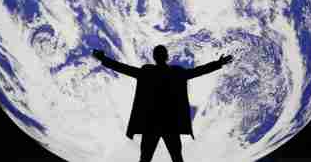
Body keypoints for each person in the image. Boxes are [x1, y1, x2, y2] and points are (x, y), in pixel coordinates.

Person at [92, 45, 233, 162]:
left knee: (147, 158)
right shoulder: (176, 73)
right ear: (166, 56)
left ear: (154, 57)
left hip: (151, 123)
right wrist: (219, 63)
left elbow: (122, 68)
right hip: (169, 123)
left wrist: (103, 58)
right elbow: (198, 71)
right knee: (176, 158)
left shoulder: (147, 73)